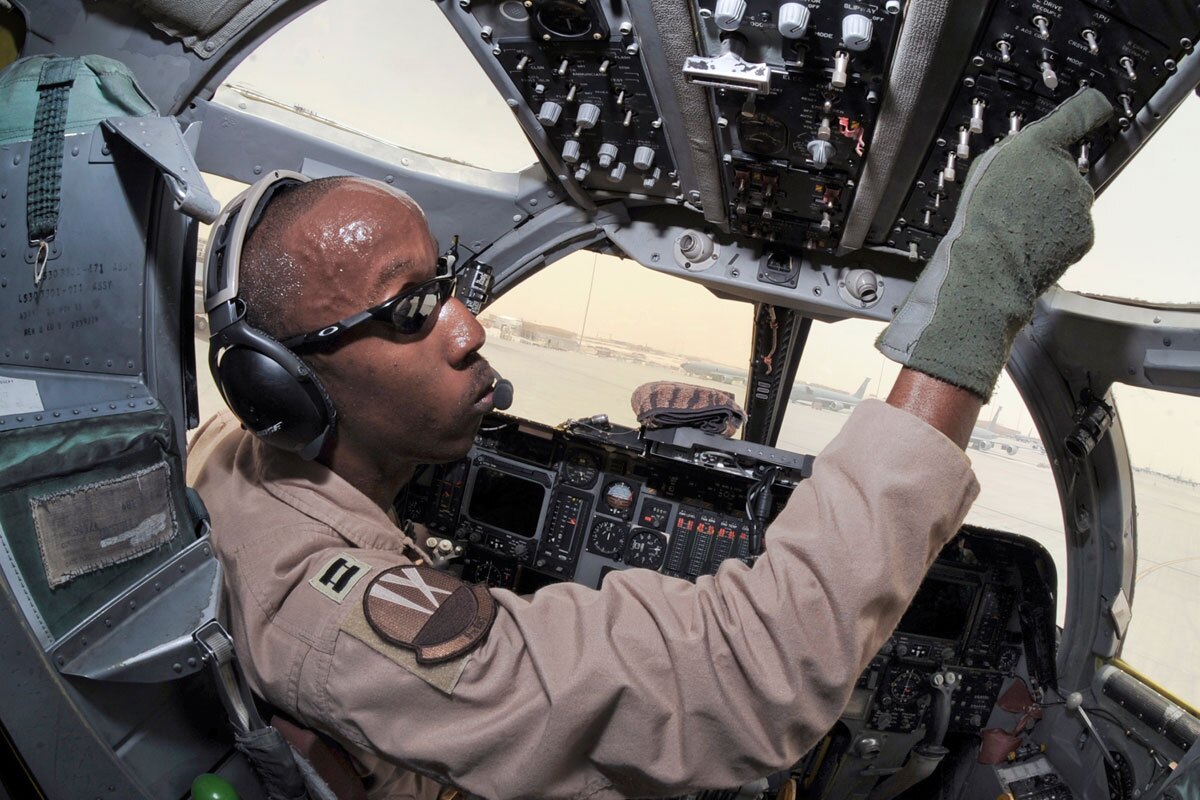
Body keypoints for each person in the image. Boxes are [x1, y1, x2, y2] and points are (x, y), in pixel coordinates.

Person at [188, 89, 1113, 799]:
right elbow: (755, 673)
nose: (469, 329)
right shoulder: (346, 629)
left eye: (453, 280)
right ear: (282, 383)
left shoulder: (234, 453)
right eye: (411, 308)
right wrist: (976, 295)